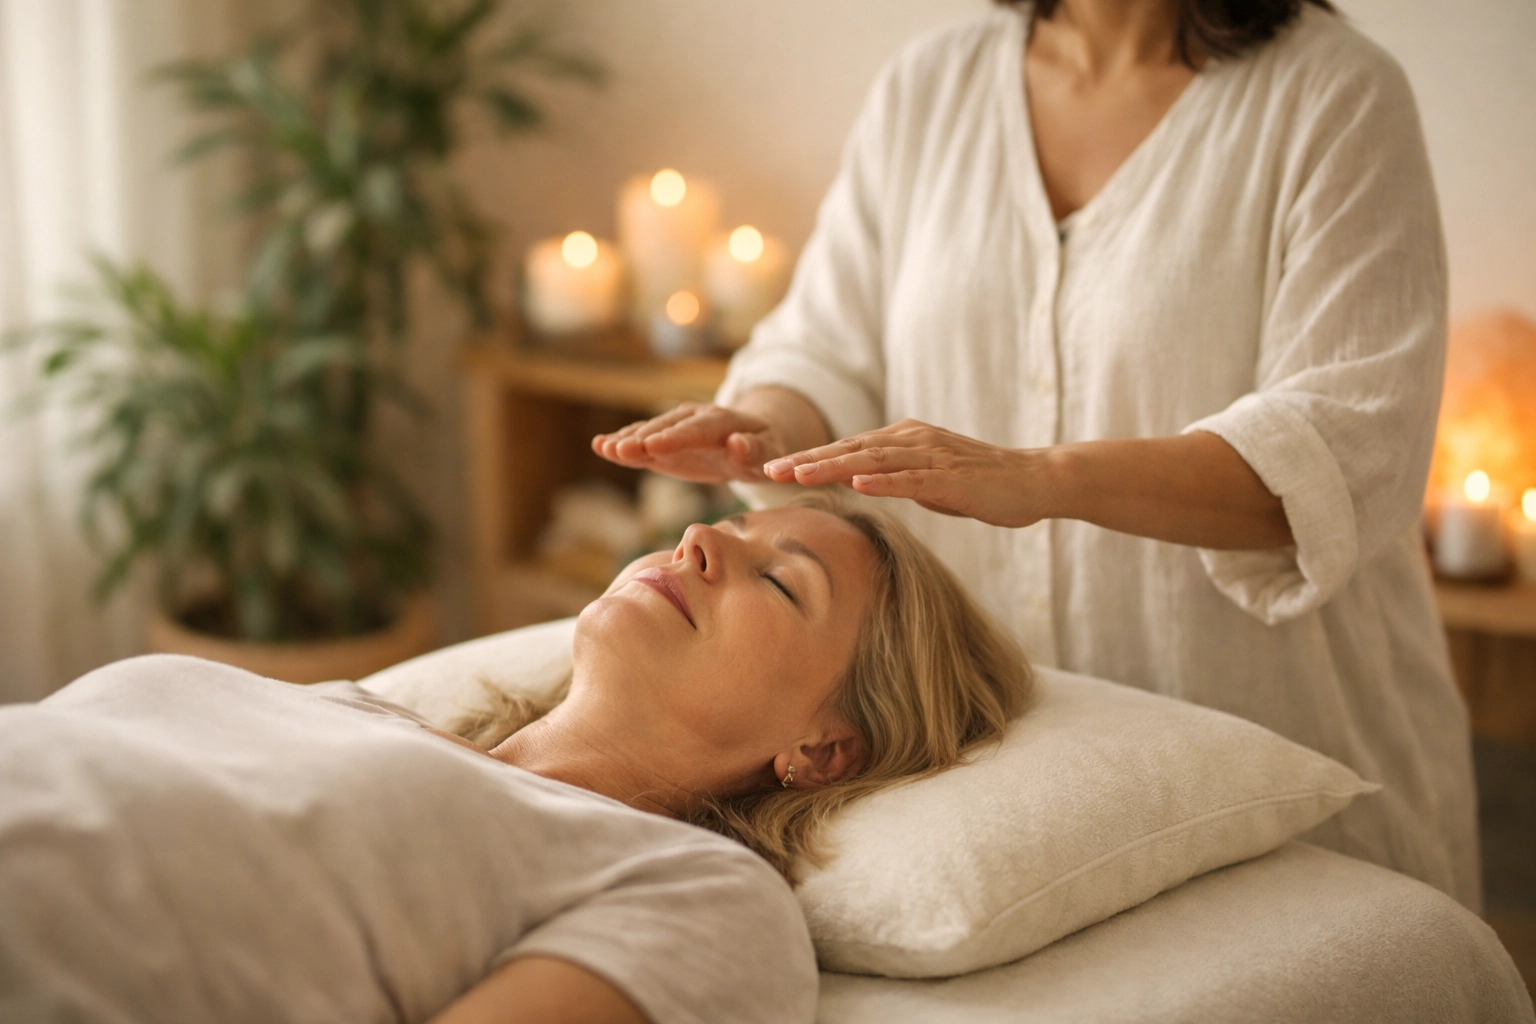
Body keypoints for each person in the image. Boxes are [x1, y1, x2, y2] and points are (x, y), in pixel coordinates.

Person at [593, 0, 1480, 909]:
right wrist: (768, 425)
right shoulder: (932, 87)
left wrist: (1042, 480)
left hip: (1293, 750)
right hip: (1007, 793)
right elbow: (825, 345)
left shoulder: (1335, 95)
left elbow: (1346, 445)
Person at [0, 497, 1030, 1024]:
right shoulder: (364, 710)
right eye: (727, 522)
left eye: (781, 580)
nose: (699, 539)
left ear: (820, 745)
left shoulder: (701, 896)